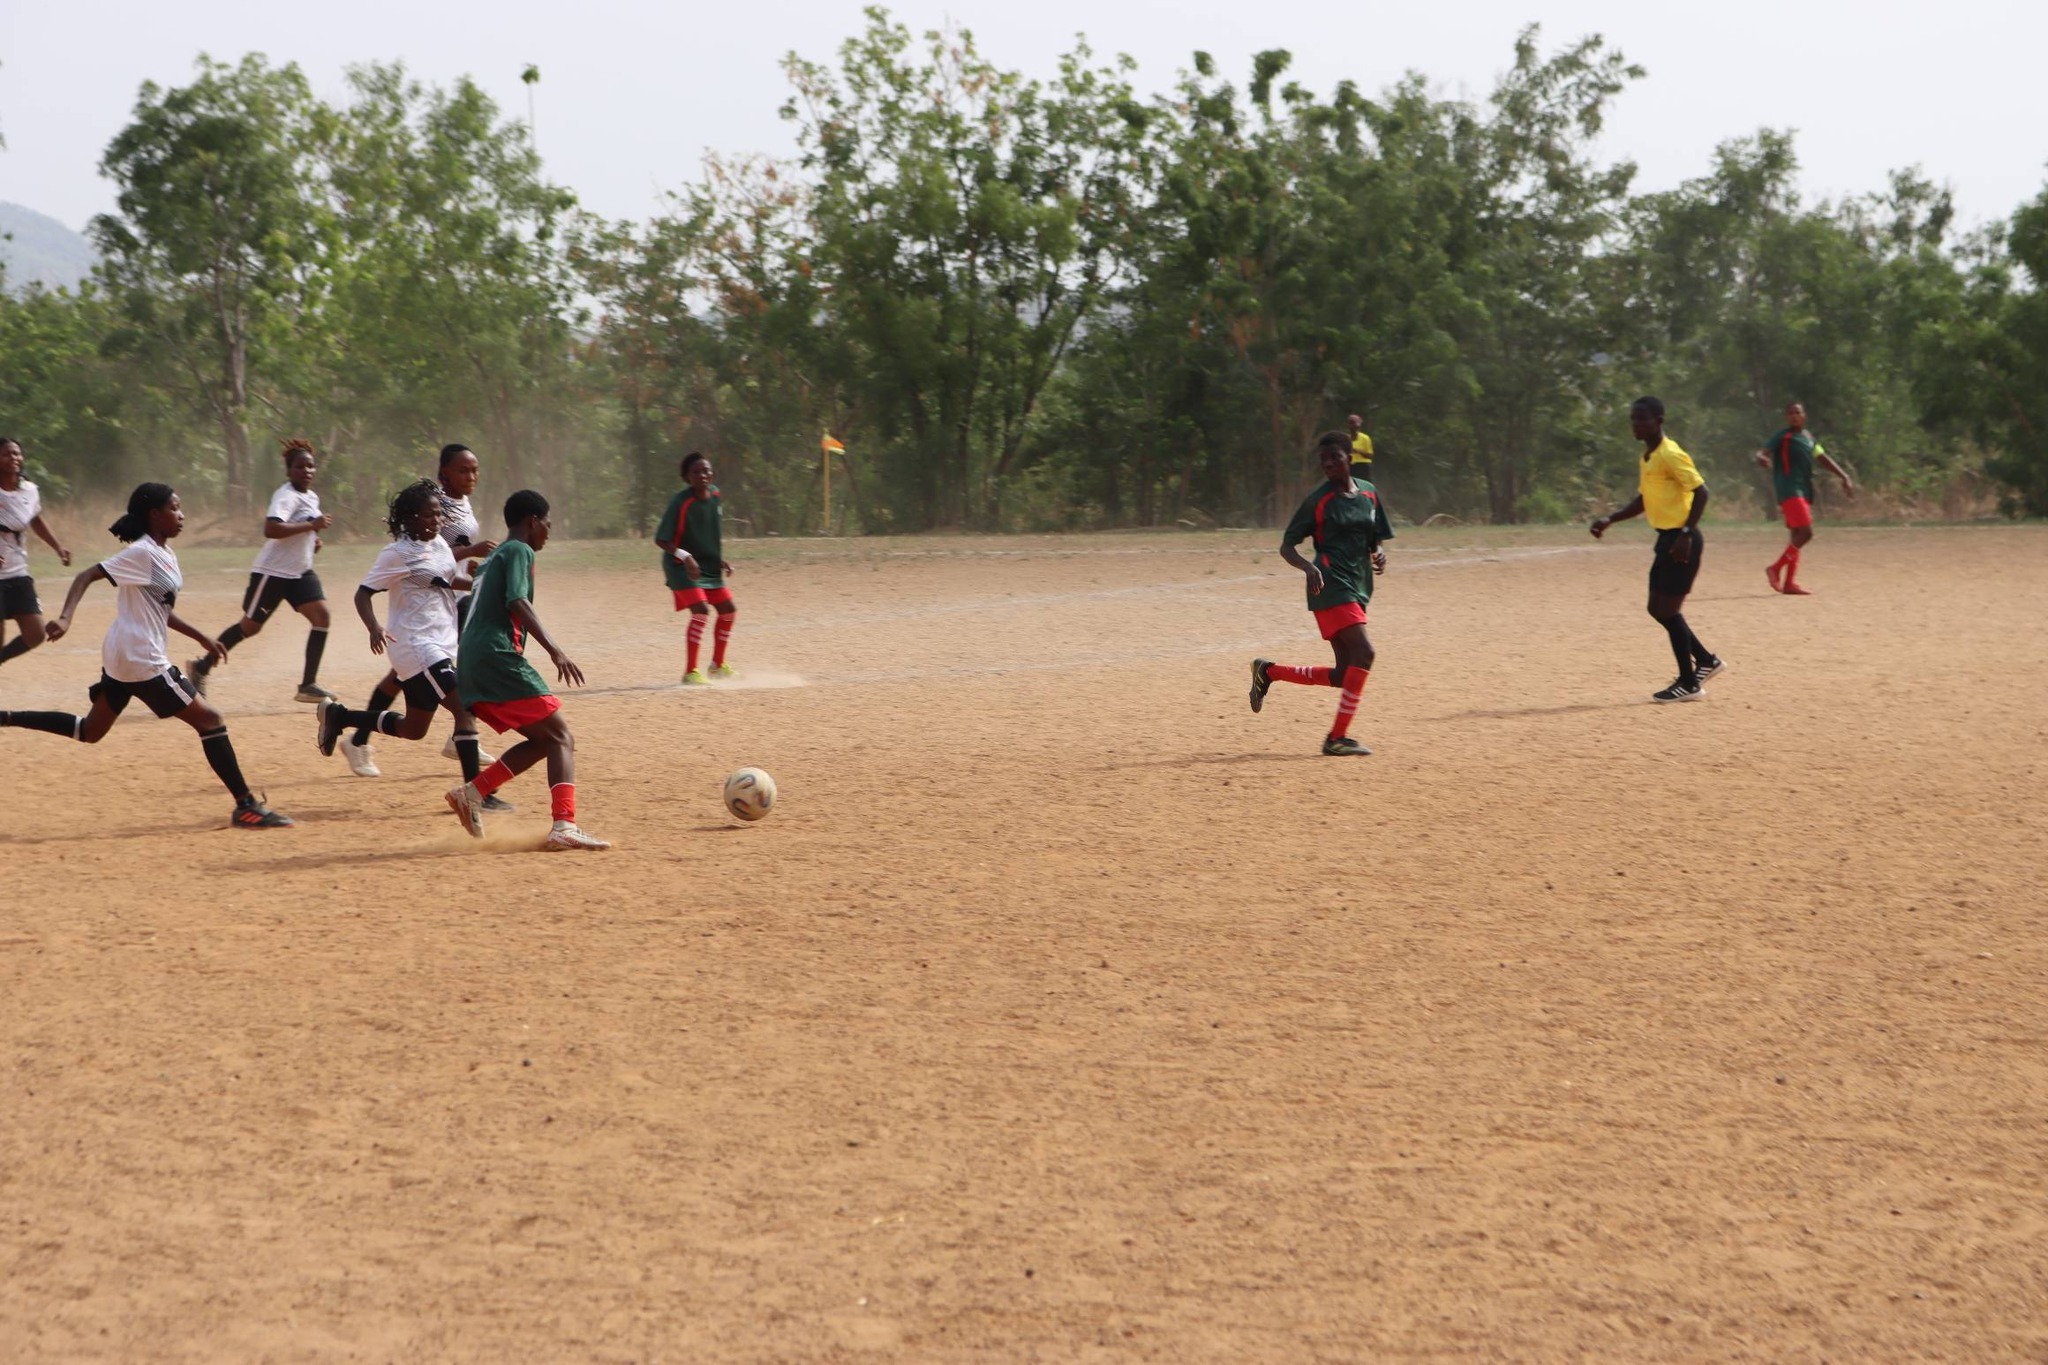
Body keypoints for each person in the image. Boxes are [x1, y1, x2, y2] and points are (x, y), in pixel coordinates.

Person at [0, 482, 291, 827]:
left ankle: (6, 717)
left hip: (124, 654)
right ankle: (245, 805)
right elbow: (87, 574)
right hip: (141, 658)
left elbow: (160, 608)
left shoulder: (164, 553)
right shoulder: (142, 552)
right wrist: (65, 617)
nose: (181, 515)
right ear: (155, 515)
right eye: (175, 508)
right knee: (210, 721)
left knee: (90, 730)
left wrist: (202, 637)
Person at [445, 489, 609, 850]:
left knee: (543, 739)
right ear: (532, 521)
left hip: (472, 659)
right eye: (547, 524)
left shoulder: (490, 559)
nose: (548, 532)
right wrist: (556, 651)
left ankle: (472, 793)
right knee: (562, 737)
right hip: (496, 656)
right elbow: (516, 601)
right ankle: (564, 826)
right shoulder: (519, 550)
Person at [336, 443, 502, 790]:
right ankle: (476, 789)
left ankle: (348, 726)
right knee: (461, 700)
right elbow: (366, 590)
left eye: (474, 470)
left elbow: (445, 569)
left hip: (440, 614)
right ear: (444, 474)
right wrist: (374, 627)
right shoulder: (408, 541)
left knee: (414, 724)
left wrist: (481, 583)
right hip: (420, 630)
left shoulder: (446, 519)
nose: (471, 476)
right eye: (463, 470)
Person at [1247, 431, 1393, 756]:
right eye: (1323, 460)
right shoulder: (1318, 500)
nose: (1328, 464)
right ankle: (1336, 739)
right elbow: (1287, 546)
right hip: (1328, 584)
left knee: (1344, 675)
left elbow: (1374, 537)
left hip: (1357, 586)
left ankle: (1268, 672)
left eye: (1335, 458)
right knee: (1365, 654)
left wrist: (1379, 552)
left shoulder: (1369, 494)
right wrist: (1307, 568)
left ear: (1349, 458)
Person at [1591, 397, 1726, 702]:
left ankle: (1689, 683)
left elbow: (1701, 491)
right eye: (1633, 420)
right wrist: (1610, 519)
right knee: (1657, 608)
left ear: (1659, 421)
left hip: (1682, 541)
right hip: (1666, 539)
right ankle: (1705, 660)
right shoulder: (1648, 457)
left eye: (1642, 419)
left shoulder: (1670, 454)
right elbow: (1643, 500)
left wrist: (1687, 533)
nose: (1636, 425)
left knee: (1668, 610)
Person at [189, 438, 336, 703]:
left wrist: (312, 540)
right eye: (301, 467)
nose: (307, 471)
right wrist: (311, 525)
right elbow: (271, 529)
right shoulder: (286, 496)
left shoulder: (311, 496)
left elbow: (299, 528)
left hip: (300, 572)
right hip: (274, 573)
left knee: (322, 617)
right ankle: (201, 667)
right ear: (289, 471)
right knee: (250, 627)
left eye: (311, 467)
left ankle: (307, 685)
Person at [1753, 402, 1855, 595]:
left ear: (1804, 415)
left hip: (1804, 489)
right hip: (1790, 488)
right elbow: (1762, 452)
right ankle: (1775, 568)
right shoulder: (1782, 436)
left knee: (1796, 536)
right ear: (1786, 417)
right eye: (1790, 413)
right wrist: (1761, 458)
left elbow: (1823, 458)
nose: (1794, 416)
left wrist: (1844, 476)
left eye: (1797, 412)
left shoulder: (1808, 438)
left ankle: (1790, 583)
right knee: (1806, 533)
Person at [654, 452, 737, 685]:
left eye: (706, 471)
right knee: (701, 611)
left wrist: (718, 559)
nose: (703, 475)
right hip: (679, 565)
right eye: (696, 472)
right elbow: (662, 539)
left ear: (713, 474)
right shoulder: (681, 502)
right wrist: (686, 557)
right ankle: (691, 672)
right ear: (687, 477)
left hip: (707, 565)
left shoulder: (715, 495)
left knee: (728, 610)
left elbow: (705, 533)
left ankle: (717, 666)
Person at [0, 436, 73, 667]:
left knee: (36, 634)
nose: (13, 458)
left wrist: (57, 547)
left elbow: (36, 520)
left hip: (18, 571)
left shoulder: (29, 490)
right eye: (6, 454)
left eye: (16, 453)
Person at [1346, 413, 1374, 479]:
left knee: (1365, 486)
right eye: (1351, 423)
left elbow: (1370, 455)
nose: (1353, 425)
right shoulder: (1346, 438)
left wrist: (1357, 451)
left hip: (1363, 465)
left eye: (1355, 423)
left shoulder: (1365, 438)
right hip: (1350, 465)